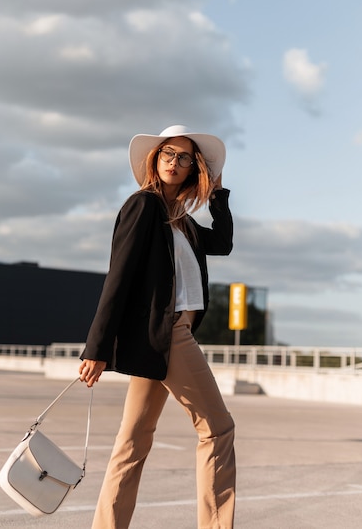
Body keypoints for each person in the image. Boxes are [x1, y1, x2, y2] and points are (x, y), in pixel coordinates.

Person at [79, 124, 236, 529]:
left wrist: (217, 194)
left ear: (192, 169)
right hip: (168, 335)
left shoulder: (180, 220)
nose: (174, 162)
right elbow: (119, 276)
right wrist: (97, 347)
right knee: (218, 430)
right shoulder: (143, 206)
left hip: (164, 337)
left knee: (132, 443)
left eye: (184, 157)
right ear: (156, 158)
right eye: (168, 153)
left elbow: (222, 242)